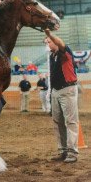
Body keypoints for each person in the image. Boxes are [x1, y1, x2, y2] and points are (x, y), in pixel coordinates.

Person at [45, 29, 79, 163]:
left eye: (49, 42)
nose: (47, 44)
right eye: (47, 41)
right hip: (56, 91)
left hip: (67, 90)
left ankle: (72, 153)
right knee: (57, 122)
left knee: (70, 122)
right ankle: (63, 151)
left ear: (55, 42)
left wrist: (50, 34)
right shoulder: (52, 56)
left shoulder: (65, 51)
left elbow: (61, 43)